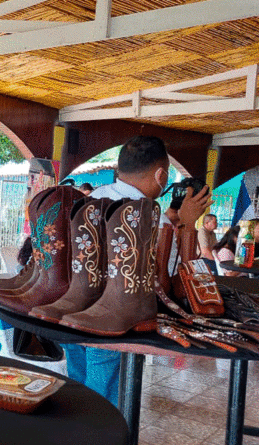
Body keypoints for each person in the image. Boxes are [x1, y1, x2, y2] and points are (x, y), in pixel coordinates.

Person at [63, 135, 212, 407]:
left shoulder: (93, 197)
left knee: (78, 392)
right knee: (104, 402)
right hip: (115, 320)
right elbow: (170, 282)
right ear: (160, 175)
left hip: (74, 308)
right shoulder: (150, 216)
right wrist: (187, 226)